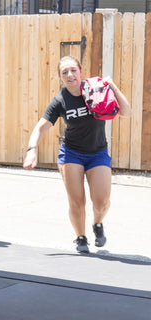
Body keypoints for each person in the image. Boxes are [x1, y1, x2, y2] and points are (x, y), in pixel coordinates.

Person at [23, 56, 131, 253]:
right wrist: (32, 150)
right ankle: (80, 237)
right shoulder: (60, 100)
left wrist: (112, 85)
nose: (69, 75)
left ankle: (97, 223)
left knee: (102, 201)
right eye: (64, 72)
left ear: (80, 70)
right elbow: (40, 127)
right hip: (71, 153)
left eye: (73, 70)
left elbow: (126, 112)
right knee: (77, 200)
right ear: (60, 77)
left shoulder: (96, 89)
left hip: (97, 152)